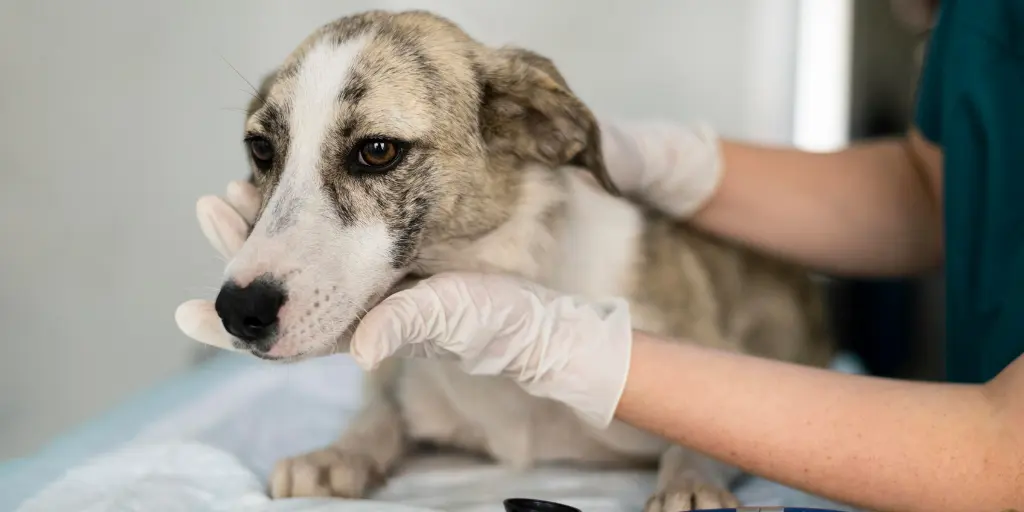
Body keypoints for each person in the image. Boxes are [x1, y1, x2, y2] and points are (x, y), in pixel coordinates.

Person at [177, 1, 1023, 510]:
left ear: (525, 128)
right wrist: (684, 162)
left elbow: (1004, 456)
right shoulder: (978, 26)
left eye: (373, 153)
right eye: (267, 151)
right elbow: (938, 186)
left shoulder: (633, 266)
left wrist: (588, 364)